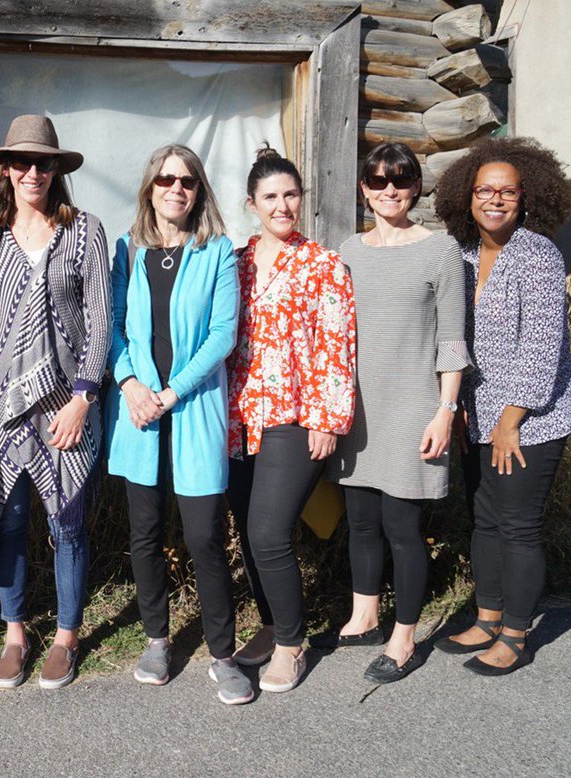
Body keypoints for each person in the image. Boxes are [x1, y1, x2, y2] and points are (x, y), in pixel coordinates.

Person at [106, 145, 252, 705]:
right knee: (144, 536)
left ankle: (222, 655)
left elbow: (222, 335)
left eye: (187, 181)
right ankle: (157, 639)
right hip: (139, 415)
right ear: (149, 187)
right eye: (165, 179)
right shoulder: (128, 251)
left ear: (199, 191)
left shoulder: (217, 252)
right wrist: (131, 386)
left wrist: (170, 392)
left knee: (204, 538)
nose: (176, 188)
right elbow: (113, 328)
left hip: (191, 411)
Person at [321, 142, 471, 684]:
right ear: (364, 188)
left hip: (413, 406)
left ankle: (404, 638)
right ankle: (365, 614)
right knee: (361, 521)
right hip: (357, 409)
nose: (390, 190)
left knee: (402, 526)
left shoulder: (440, 250)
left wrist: (445, 412)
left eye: (401, 180)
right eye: (379, 180)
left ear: (416, 187)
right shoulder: (347, 251)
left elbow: (453, 339)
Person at [432, 136, 571, 675]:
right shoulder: (465, 255)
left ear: (527, 196)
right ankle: (487, 616)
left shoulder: (537, 253)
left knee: (516, 524)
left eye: (507, 191)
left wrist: (509, 422)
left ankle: (516, 634)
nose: (495, 199)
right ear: (466, 196)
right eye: (484, 190)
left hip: (531, 420)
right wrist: (462, 403)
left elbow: (542, 347)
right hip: (478, 414)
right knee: (484, 519)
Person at [0, 115, 109, 690]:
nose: (33, 172)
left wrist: (83, 398)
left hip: (65, 402)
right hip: (6, 404)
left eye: (45, 162)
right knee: (7, 521)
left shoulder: (84, 231)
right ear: (6, 169)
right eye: (22, 162)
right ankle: (14, 633)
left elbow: (102, 321)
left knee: (68, 522)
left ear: (59, 170)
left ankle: (65, 636)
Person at [226, 146, 356, 693]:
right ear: (251, 203)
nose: (282, 205)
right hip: (237, 417)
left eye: (290, 195)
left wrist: (328, 419)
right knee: (250, 531)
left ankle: (290, 644)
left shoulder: (323, 263)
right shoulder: (234, 262)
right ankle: (273, 620)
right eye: (271, 197)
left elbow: (337, 345)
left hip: (295, 416)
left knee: (269, 530)